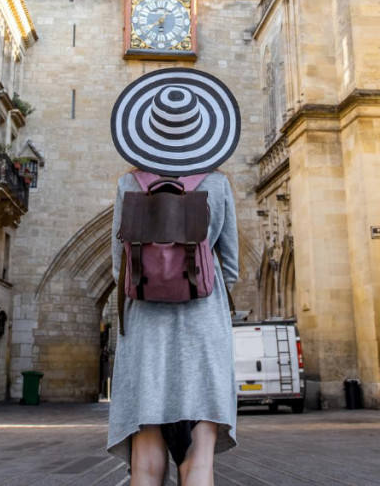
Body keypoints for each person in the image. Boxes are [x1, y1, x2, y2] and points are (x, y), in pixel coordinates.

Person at [106, 69, 242, 486]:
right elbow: (231, 268)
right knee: (198, 462)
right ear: (201, 134)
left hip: (145, 336)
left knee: (146, 465)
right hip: (203, 334)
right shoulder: (218, 186)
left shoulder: (129, 184)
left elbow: (118, 268)